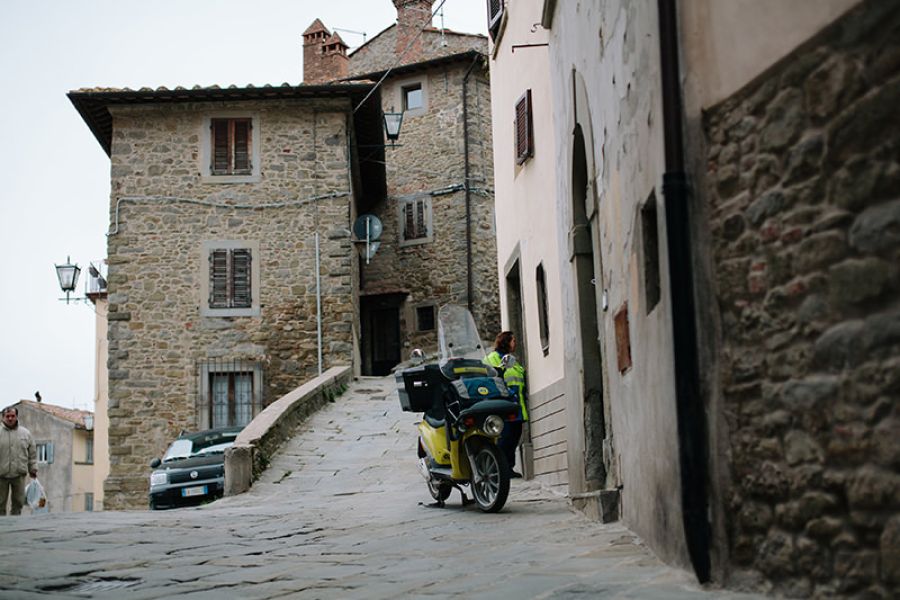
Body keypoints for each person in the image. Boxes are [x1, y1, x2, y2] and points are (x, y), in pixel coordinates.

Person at [484, 331, 529, 478]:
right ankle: (500, 469)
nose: (515, 343)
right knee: (505, 438)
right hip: (502, 405)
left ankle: (508, 467)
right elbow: (489, 377)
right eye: (513, 340)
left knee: (514, 438)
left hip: (516, 406)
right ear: (506, 342)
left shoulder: (512, 360)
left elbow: (520, 376)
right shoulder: (492, 358)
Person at [0, 406, 37, 516]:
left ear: (16, 417)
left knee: (18, 503)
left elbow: (32, 454)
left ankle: (15, 526)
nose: (10, 418)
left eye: (13, 416)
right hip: (1, 474)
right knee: (0, 503)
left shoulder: (26, 433)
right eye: (7, 416)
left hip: (19, 475)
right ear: (2, 418)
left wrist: (33, 469)